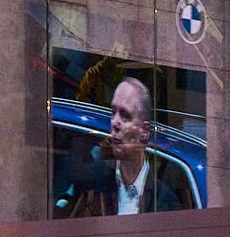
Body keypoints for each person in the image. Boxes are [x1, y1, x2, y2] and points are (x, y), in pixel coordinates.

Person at [58, 76, 184, 217]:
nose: (115, 123)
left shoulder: (165, 202)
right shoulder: (89, 181)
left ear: (144, 131)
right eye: (113, 113)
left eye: (125, 116)